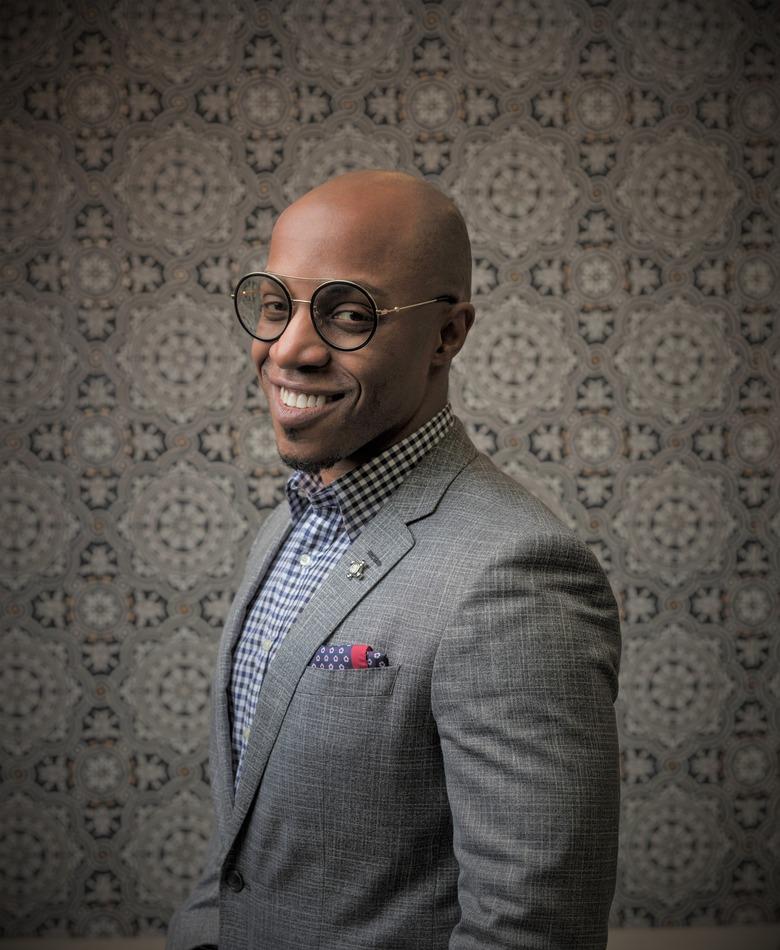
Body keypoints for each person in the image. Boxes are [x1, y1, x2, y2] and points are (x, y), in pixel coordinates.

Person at [166, 170, 621, 950]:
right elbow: (245, 844)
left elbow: (532, 930)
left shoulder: (516, 576)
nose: (290, 349)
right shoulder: (288, 522)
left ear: (448, 334)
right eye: (275, 305)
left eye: (349, 314)